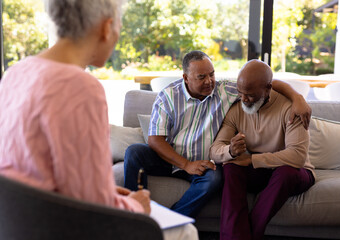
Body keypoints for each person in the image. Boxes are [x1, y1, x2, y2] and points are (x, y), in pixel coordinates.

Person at [0, 1, 197, 239]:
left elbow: (35, 171)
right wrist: (136, 207)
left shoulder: (15, 74)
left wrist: (104, 191)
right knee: (185, 231)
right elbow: (92, 209)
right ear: (106, 27)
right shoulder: (80, 86)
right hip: (60, 226)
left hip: (16, 222)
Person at [124, 50, 312, 218]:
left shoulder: (227, 91)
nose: (209, 81)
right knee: (133, 152)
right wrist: (185, 164)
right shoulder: (168, 96)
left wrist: (297, 97)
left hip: (204, 165)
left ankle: (170, 222)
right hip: (170, 159)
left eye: (212, 74)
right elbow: (155, 140)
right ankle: (134, 215)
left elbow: (265, 82)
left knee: (215, 179)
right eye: (201, 77)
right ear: (186, 77)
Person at [210, 59, 315, 240]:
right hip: (259, 173)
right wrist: (231, 151)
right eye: (241, 92)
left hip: (294, 172)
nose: (243, 98)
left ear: (268, 89)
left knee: (286, 172)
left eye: (250, 94)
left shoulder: (291, 108)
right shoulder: (236, 108)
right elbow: (215, 150)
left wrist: (252, 160)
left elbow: (297, 157)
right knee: (230, 166)